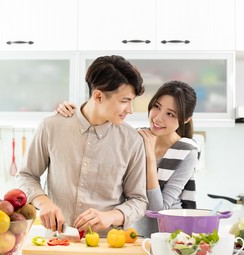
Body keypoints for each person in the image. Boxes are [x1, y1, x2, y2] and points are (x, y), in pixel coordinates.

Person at [18, 55, 148, 236]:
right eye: (124, 101)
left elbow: (138, 200)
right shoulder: (52, 126)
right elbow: (26, 175)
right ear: (98, 96)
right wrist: (43, 202)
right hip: (57, 242)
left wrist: (110, 216)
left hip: (108, 245)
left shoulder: (132, 141)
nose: (130, 110)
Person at [57, 80, 200, 237]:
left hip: (169, 236)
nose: (158, 118)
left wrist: (150, 158)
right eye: (156, 107)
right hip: (132, 234)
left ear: (186, 119)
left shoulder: (187, 151)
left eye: (170, 114)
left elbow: (159, 211)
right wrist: (75, 114)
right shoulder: (135, 137)